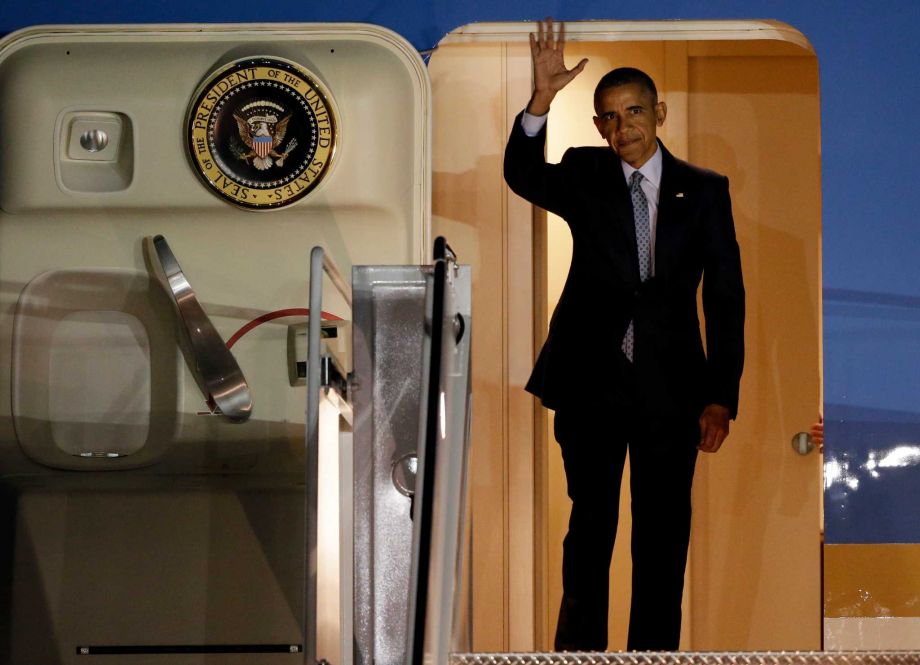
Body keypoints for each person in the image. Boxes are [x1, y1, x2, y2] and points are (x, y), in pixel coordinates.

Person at [503, 19, 745, 651]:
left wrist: (721, 394)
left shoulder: (706, 191)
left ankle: (652, 660)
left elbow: (725, 299)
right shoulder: (586, 174)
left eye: (634, 111)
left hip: (673, 392)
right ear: (598, 127)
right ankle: (578, 659)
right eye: (608, 117)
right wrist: (540, 101)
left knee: (663, 539)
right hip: (590, 386)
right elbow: (523, 175)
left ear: (659, 112)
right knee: (590, 532)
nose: (623, 127)